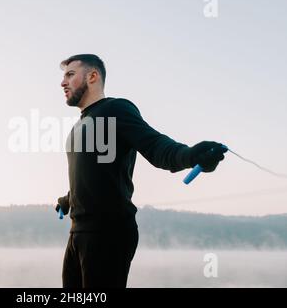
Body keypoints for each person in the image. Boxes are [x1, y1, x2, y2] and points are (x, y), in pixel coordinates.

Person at [55, 54, 226, 288]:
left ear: (93, 76)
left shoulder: (116, 109)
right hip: (77, 233)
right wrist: (68, 199)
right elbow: (90, 175)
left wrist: (191, 156)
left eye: (70, 75)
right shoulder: (77, 128)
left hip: (108, 233)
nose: (63, 82)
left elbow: (156, 147)